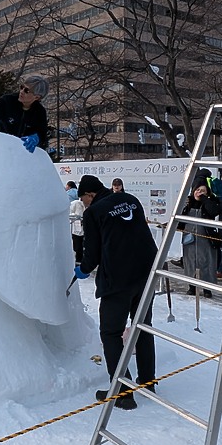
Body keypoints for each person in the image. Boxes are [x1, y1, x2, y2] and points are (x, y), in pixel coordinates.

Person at [74, 174, 157, 410]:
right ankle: (148, 381)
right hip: (146, 273)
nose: (84, 204)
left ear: (89, 194)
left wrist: (83, 269)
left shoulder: (93, 212)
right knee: (142, 326)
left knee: (111, 333)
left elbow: (92, 253)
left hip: (118, 278)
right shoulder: (130, 199)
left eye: (83, 200)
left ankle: (122, 393)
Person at [0, 75, 49, 152]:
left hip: (19, 153)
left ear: (37, 97)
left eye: (26, 91)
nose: (21, 92)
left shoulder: (40, 112)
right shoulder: (7, 101)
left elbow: (42, 133)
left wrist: (36, 138)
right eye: (22, 87)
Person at [179, 182, 222, 296]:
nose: (199, 192)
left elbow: (214, 211)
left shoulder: (211, 202)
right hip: (189, 238)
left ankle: (207, 288)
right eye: (197, 190)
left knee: (206, 262)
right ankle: (191, 286)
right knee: (190, 262)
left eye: (203, 191)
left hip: (206, 237)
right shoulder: (188, 203)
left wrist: (204, 199)